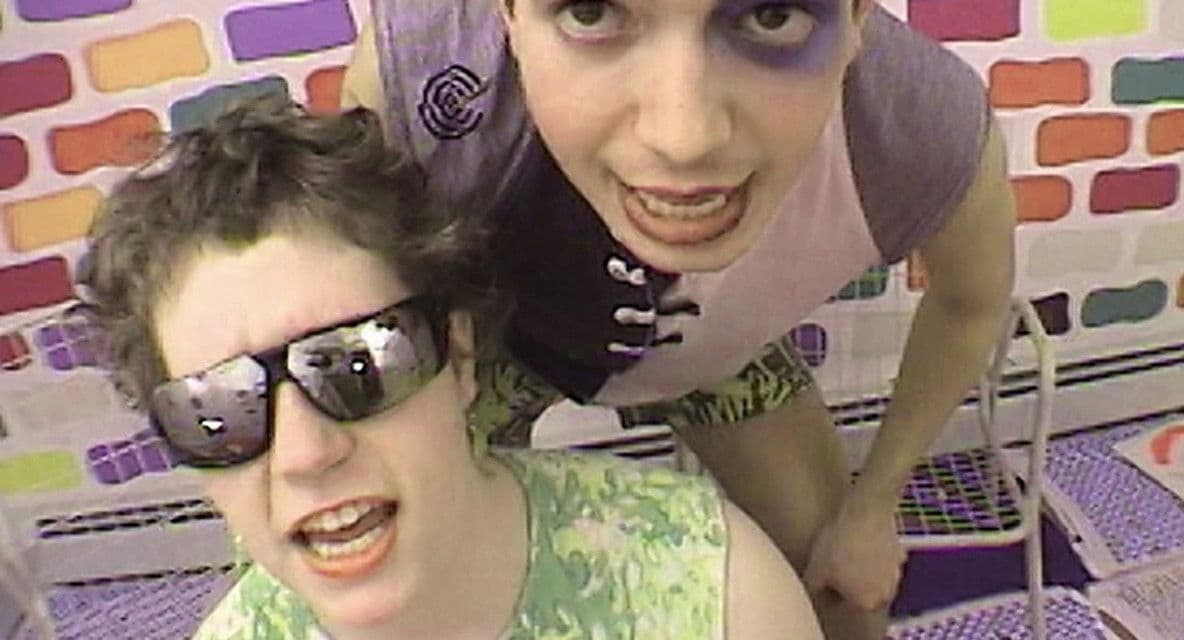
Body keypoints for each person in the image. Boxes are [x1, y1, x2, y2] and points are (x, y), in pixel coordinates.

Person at [342, 0, 1017, 636]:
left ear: (860, 0)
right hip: (494, 340)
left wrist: (874, 507)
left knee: (842, 589)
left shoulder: (918, 126)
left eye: (773, 14)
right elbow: (347, 301)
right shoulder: (418, 67)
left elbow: (970, 303)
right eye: (591, 10)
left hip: (722, 349)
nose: (683, 140)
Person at [77, 97, 823, 639]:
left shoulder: (714, 597)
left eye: (359, 365)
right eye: (218, 410)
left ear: (460, 356)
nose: (304, 454)